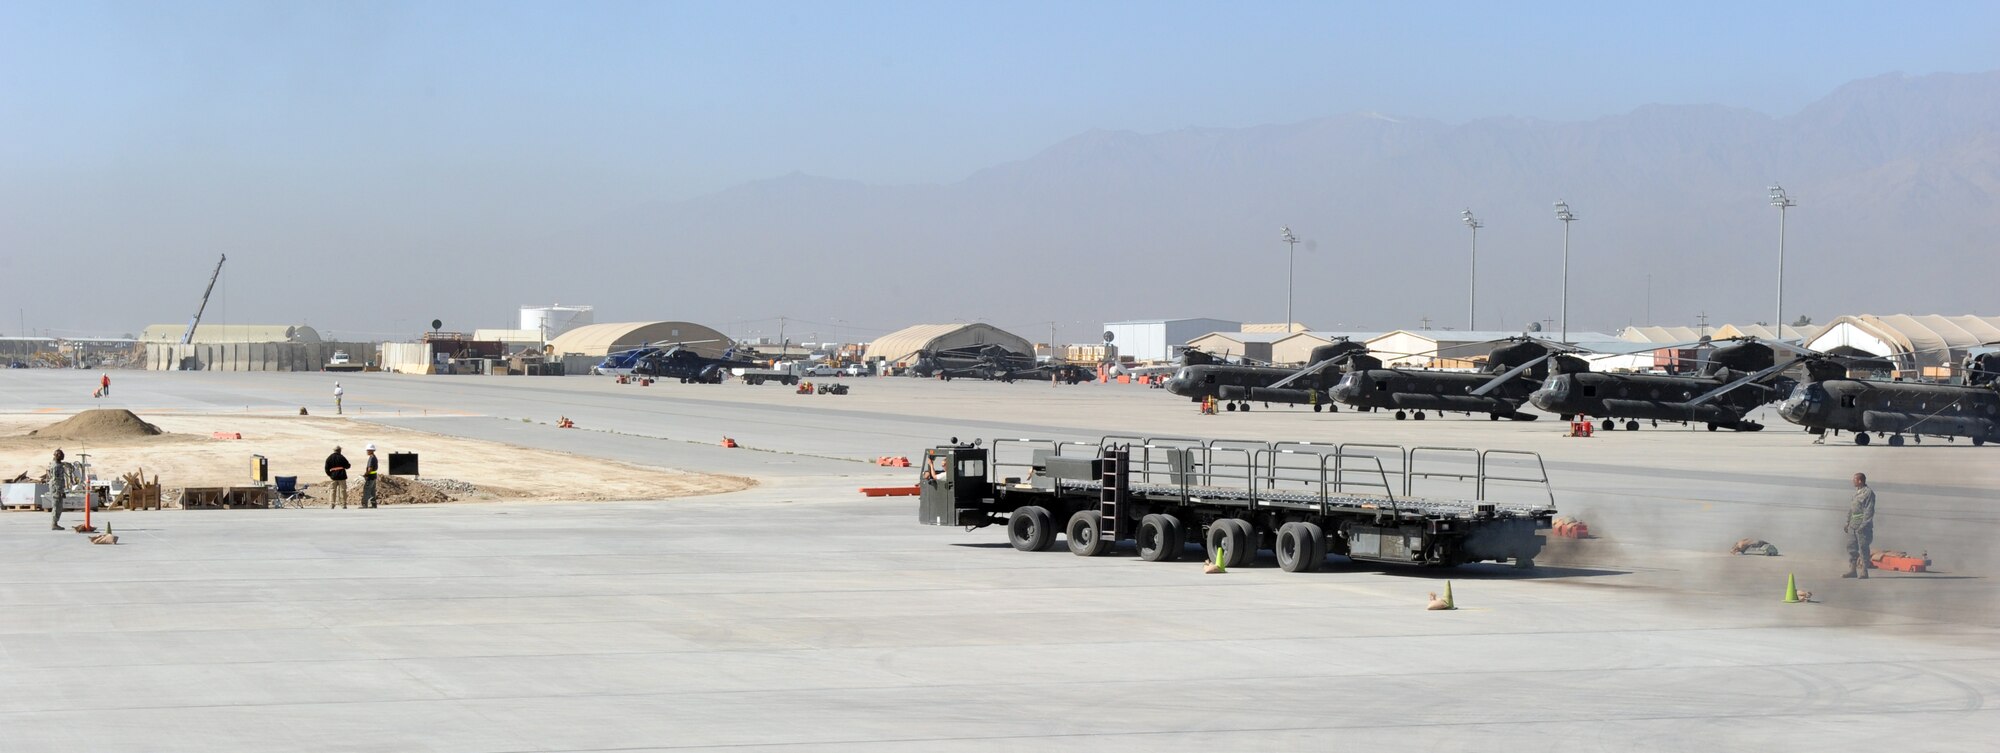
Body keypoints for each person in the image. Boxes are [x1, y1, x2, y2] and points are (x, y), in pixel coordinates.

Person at [1844, 472, 1876, 579]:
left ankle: (1864, 571)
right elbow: (1852, 509)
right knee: (1851, 547)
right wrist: (1847, 522)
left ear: (1860, 481)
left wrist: (1863, 525)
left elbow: (1869, 511)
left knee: (1863, 548)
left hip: (1863, 526)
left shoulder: (1868, 493)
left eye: (1854, 479)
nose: (1853, 481)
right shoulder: (1856, 493)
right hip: (1853, 524)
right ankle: (1853, 570)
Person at [47, 449, 69, 530]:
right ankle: (54, 523)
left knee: (59, 505)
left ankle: (55, 523)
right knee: (57, 505)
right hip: (56, 488)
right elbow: (56, 480)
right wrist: (60, 491)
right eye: (61, 455)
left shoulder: (58, 464)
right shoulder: (56, 466)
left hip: (57, 487)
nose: (63, 456)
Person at [361, 444, 379, 508]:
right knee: (372, 491)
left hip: (370, 476)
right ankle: (373, 504)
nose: (367, 452)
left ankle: (364, 504)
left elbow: (370, 468)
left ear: (371, 451)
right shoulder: (374, 457)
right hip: (373, 476)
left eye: (368, 450)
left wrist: (366, 474)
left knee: (366, 490)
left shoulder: (371, 458)